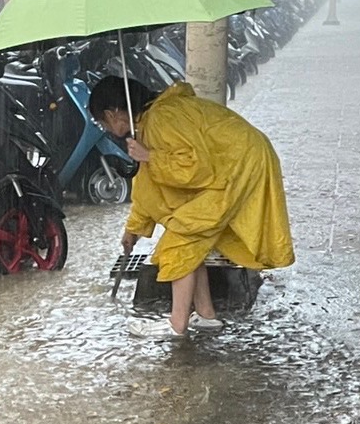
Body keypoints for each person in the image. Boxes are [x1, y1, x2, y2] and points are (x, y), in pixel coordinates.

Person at [89, 76, 295, 339]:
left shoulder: (162, 119)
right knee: (191, 238)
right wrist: (134, 228)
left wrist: (149, 155)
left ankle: (177, 324)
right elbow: (148, 184)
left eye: (103, 122)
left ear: (112, 114)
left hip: (237, 166)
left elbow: (196, 167)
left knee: (180, 242)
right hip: (235, 163)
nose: (106, 128)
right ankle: (206, 315)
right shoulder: (149, 123)